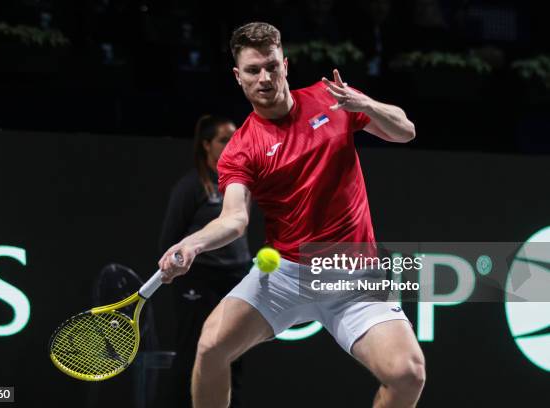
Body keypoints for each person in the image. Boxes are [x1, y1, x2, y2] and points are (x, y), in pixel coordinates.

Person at [159, 22, 425, 408]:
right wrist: (192, 243)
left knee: (408, 374)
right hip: (285, 275)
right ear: (239, 77)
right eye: (253, 70)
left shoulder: (331, 99)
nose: (264, 78)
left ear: (285, 64)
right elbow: (234, 219)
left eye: (271, 66)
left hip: (353, 278)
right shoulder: (241, 149)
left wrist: (365, 104)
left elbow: (406, 132)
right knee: (210, 347)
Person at [159, 115, 250, 408]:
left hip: (237, 278)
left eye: (235, 138)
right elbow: (169, 241)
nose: (232, 144)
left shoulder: (240, 182)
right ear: (206, 145)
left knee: (232, 356)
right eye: (224, 139)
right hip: (198, 281)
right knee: (193, 356)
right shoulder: (190, 187)